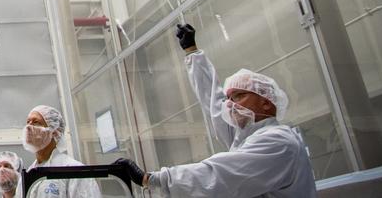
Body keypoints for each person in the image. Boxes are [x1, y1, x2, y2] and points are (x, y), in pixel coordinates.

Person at [114, 23, 317, 197]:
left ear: (266, 102)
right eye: (230, 98)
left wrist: (152, 179)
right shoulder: (246, 137)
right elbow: (212, 100)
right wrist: (192, 52)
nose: (230, 104)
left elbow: (219, 174)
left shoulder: (278, 141)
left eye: (239, 96)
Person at [21, 104, 101, 198]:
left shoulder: (75, 171)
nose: (28, 127)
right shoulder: (27, 174)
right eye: (28, 122)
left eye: (36, 122)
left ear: (54, 132)